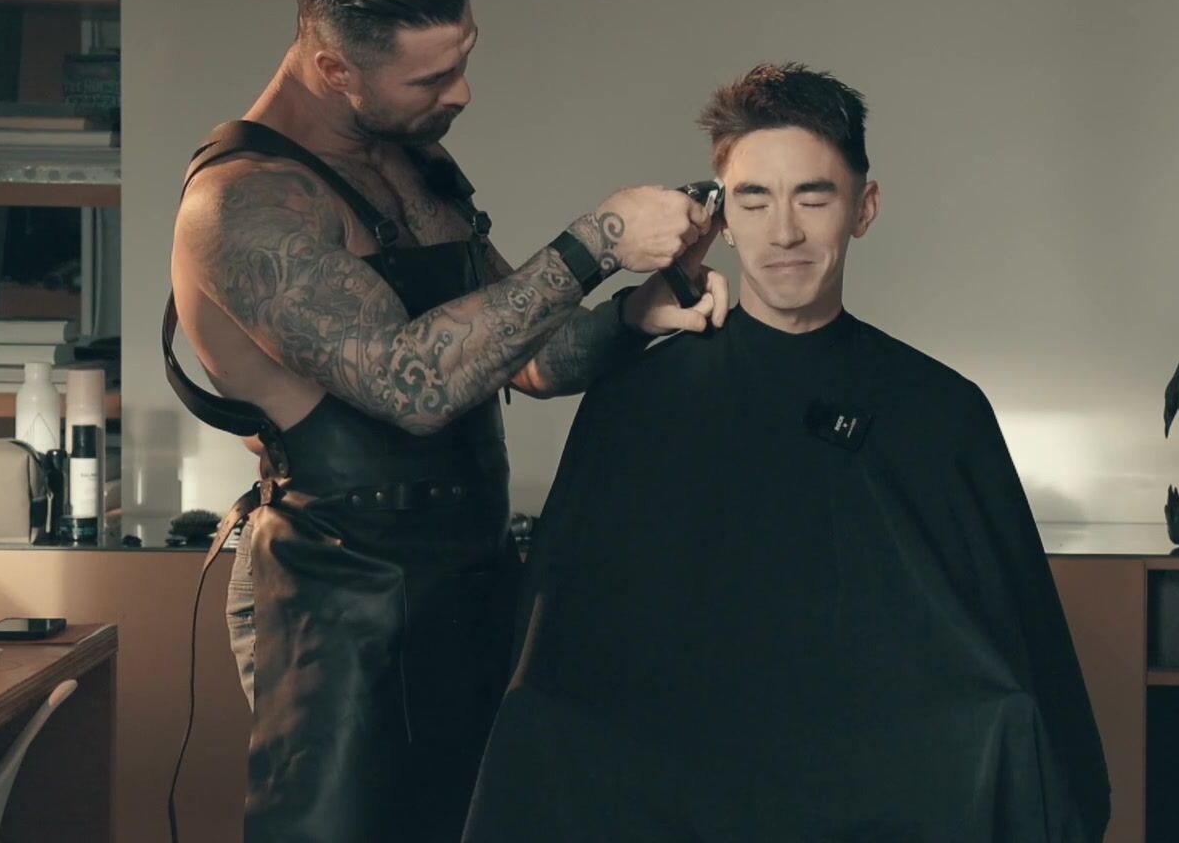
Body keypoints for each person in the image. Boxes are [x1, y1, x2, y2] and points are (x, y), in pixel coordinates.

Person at [163, 0, 728, 842]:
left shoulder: (410, 160)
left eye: (464, 56)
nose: (461, 93)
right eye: (433, 76)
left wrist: (635, 316)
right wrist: (597, 241)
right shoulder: (241, 206)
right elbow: (408, 386)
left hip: (469, 578)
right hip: (338, 598)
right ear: (334, 68)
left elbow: (522, 354)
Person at [463, 63, 1113, 842]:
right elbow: (563, 656)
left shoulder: (940, 408)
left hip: (888, 764)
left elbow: (1020, 660)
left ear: (863, 208)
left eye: (813, 197)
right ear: (719, 219)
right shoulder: (640, 399)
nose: (783, 233)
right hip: (676, 765)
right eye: (753, 200)